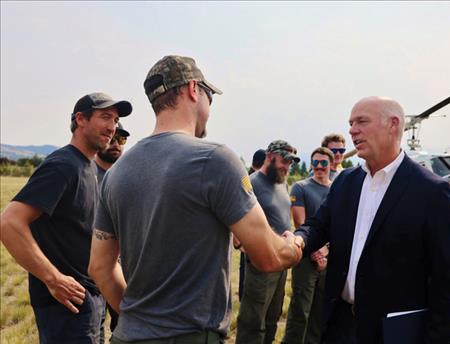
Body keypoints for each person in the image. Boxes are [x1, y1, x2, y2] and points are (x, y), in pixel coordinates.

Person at [87, 55, 302, 344]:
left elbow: (100, 267)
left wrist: (138, 320)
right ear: (193, 89)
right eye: (209, 96)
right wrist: (295, 245)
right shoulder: (214, 159)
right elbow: (269, 256)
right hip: (190, 335)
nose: (210, 107)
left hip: (127, 335)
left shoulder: (116, 173)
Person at [294, 96, 450, 344]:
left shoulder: (431, 192)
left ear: (393, 125)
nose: (352, 130)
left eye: (361, 121)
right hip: (340, 327)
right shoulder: (345, 182)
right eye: (351, 123)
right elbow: (318, 226)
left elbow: (448, 281)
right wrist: (297, 240)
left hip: (393, 333)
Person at [0, 92, 132, 344]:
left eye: (115, 120)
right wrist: (54, 278)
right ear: (80, 119)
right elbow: (9, 223)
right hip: (66, 306)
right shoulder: (63, 165)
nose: (112, 127)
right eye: (105, 117)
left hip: (90, 301)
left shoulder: (89, 167)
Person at [235, 139, 300, 344]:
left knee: (272, 318)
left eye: (291, 163)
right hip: (260, 264)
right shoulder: (251, 183)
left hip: (280, 263)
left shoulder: (282, 184)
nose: (287, 167)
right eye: (284, 161)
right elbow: (235, 218)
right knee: (253, 322)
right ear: (270, 157)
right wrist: (242, 244)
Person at [282, 147, 333, 344]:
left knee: (319, 313)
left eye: (323, 163)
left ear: (330, 165)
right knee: (300, 311)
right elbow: (301, 224)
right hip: (305, 257)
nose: (319, 167)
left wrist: (326, 253)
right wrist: (316, 252)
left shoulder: (336, 189)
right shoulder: (300, 187)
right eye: (315, 163)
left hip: (328, 259)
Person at [94, 121, 130, 332]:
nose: (116, 144)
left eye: (122, 139)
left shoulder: (127, 177)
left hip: (123, 270)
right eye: (113, 138)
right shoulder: (86, 172)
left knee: (122, 328)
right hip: (93, 268)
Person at [237, 148, 267, 302]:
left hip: (251, 234)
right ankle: (244, 297)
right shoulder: (250, 181)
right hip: (249, 233)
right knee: (247, 268)